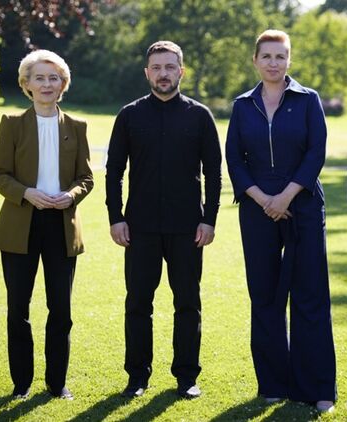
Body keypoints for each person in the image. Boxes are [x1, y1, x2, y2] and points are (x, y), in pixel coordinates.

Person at [225, 29, 336, 413]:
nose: (274, 63)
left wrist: (286, 196)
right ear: (255, 60)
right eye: (267, 56)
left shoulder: (308, 100)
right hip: (256, 210)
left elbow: (316, 152)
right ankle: (273, 383)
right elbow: (234, 159)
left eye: (280, 56)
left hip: (302, 207)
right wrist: (263, 199)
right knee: (265, 296)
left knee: (310, 296)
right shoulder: (243, 106)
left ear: (289, 60)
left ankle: (317, 389)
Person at [105, 40, 222, 400]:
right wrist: (116, 217)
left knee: (187, 303)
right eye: (156, 68)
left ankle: (186, 377)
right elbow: (114, 172)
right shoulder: (129, 115)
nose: (163, 74)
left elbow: (214, 173)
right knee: (138, 303)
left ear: (181, 71)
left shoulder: (200, 116)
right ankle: (137, 377)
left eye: (170, 67)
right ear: (147, 73)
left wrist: (209, 220)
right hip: (139, 228)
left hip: (188, 228)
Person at [0, 50, 93, 400]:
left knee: (61, 309)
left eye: (54, 78)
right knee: (18, 308)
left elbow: (86, 178)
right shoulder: (11, 124)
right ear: (27, 84)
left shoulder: (77, 127)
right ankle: (21, 384)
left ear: (63, 84)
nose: (47, 84)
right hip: (20, 225)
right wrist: (26, 193)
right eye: (39, 78)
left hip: (61, 226)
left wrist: (71, 196)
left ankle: (56, 382)